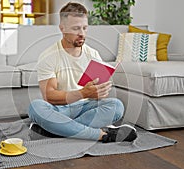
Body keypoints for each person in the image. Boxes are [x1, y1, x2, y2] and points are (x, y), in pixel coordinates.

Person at [28, 2, 137, 143]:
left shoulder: (93, 54)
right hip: (59, 109)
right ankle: (101, 135)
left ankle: (54, 131)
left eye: (84, 28)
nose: (82, 34)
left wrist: (99, 92)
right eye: (76, 28)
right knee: (36, 107)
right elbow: (50, 96)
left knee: (116, 106)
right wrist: (83, 93)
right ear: (62, 28)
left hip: (85, 108)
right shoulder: (48, 56)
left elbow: (98, 94)